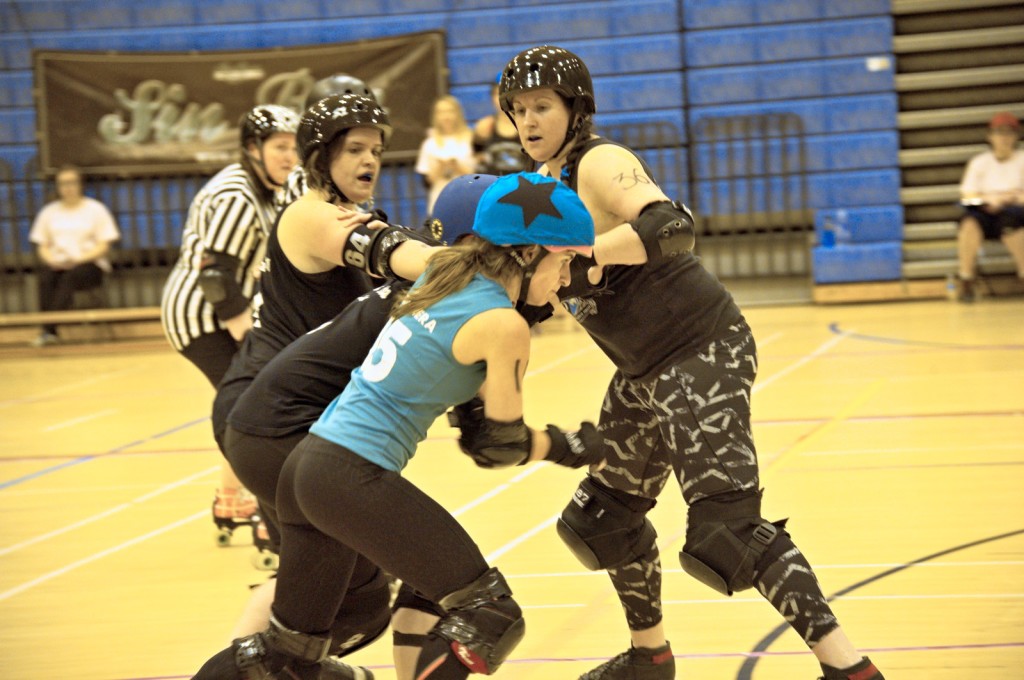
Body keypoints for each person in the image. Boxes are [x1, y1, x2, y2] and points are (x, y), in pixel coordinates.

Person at [496, 45, 886, 680]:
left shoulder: (599, 164)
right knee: (604, 520)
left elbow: (670, 226)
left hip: (701, 351)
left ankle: (851, 670)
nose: (529, 121)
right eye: (518, 110)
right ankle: (650, 659)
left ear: (576, 108)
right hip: (642, 372)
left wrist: (589, 247)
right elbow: (536, 297)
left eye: (542, 106)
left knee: (726, 535)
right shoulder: (535, 193)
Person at [191, 172, 603, 680]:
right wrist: (579, 445)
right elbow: (502, 445)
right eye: (564, 262)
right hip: (348, 475)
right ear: (525, 252)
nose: (566, 279)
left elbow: (388, 250)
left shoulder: (442, 271)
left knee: (288, 655)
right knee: (488, 616)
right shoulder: (504, 325)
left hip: (306, 467)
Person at [221, 174, 500, 678]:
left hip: (298, 422)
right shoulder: (317, 218)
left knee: (396, 587)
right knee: (363, 601)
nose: (368, 162)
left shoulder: (432, 287)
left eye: (375, 149)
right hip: (283, 424)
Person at [159, 104, 299, 543]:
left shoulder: (260, 188)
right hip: (201, 316)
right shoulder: (238, 195)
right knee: (251, 406)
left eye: (294, 147)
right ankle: (268, 513)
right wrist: (247, 338)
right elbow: (215, 275)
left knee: (244, 404)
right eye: (279, 147)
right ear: (253, 150)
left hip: (217, 311)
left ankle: (231, 498)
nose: (289, 156)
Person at [28, 165, 120, 346]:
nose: (68, 187)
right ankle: (51, 331)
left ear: (80, 184)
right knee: (45, 278)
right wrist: (51, 260)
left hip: (89, 264)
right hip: (58, 264)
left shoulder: (96, 209)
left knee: (71, 277)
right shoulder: (49, 212)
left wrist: (79, 259)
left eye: (72, 183)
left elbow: (104, 244)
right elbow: (42, 245)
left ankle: (48, 328)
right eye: (63, 183)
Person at [279, 73, 378, 208]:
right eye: (354, 150)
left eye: (376, 151)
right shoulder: (303, 181)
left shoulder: (344, 189)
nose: (370, 160)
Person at [955, 110, 1024, 302]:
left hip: (1014, 211)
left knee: (1013, 226)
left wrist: (1007, 199)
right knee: (969, 224)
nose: (1004, 138)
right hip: (985, 211)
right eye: (999, 133)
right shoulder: (979, 163)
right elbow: (968, 193)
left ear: (1015, 137)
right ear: (990, 137)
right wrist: (988, 200)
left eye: (1009, 133)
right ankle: (966, 279)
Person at [415, 94, 476, 213]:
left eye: (450, 111)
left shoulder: (471, 139)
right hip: (439, 202)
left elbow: (481, 175)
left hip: (468, 201)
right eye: (441, 112)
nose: (446, 116)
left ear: (458, 113)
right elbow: (427, 182)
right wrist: (441, 167)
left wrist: (456, 166)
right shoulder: (429, 144)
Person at [472, 74, 532, 177]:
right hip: (493, 184)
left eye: (505, 92)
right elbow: (476, 159)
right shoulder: (485, 126)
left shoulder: (528, 123)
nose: (501, 97)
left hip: (523, 185)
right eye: (497, 94)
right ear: (492, 98)